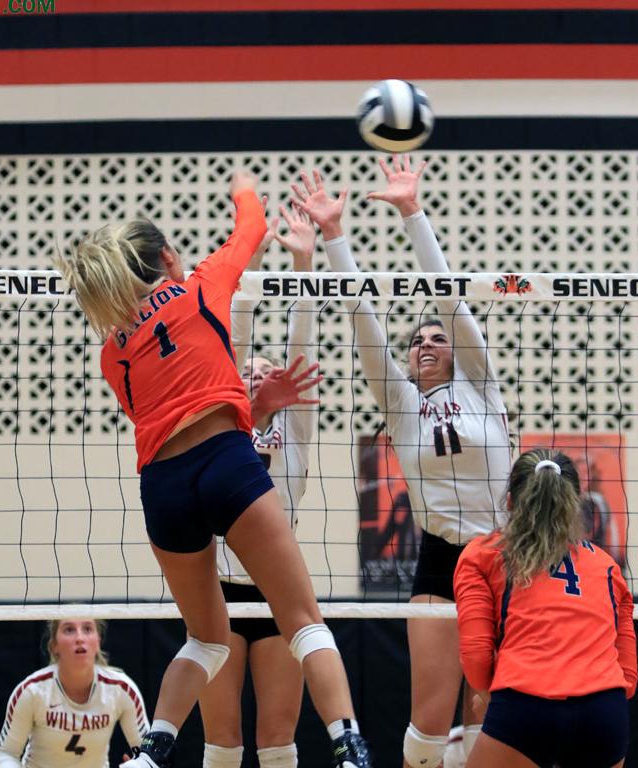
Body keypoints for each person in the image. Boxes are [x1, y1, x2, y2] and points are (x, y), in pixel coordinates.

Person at [56, 170, 372, 768]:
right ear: (168, 259)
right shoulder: (199, 288)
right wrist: (242, 187)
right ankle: (349, 749)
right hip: (225, 462)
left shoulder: (111, 353)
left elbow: (154, 412)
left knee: (204, 638)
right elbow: (251, 225)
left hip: (163, 487)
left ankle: (151, 752)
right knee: (305, 622)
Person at [291, 157, 511, 768]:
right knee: (429, 722)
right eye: (417, 341)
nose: (425, 344)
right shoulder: (402, 405)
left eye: (437, 338)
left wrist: (412, 212)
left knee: (490, 710)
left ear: (456, 351)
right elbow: (363, 319)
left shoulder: (481, 386)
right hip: (440, 558)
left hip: (504, 554)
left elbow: (448, 295)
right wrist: (334, 235)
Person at [199, 203, 318, 768]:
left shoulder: (294, 429)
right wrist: (249, 262)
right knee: (222, 743)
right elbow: (231, 339)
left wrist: (303, 265)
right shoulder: (219, 424)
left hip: (276, 588)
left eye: (265, 372)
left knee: (277, 741)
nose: (253, 374)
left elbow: (301, 349)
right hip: (216, 588)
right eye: (245, 371)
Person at [454, 449, 637, 768]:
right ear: (574, 504)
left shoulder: (482, 555)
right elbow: (629, 677)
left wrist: (490, 698)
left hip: (525, 704)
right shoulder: (608, 566)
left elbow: (477, 657)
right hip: (604, 714)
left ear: (510, 501)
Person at [0, 619, 149, 767]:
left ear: (98, 641)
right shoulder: (32, 691)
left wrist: (139, 765)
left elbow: (148, 755)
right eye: (69, 630)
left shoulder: (121, 689)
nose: (79, 638)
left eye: (87, 629)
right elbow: (5, 753)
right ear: (54, 645)